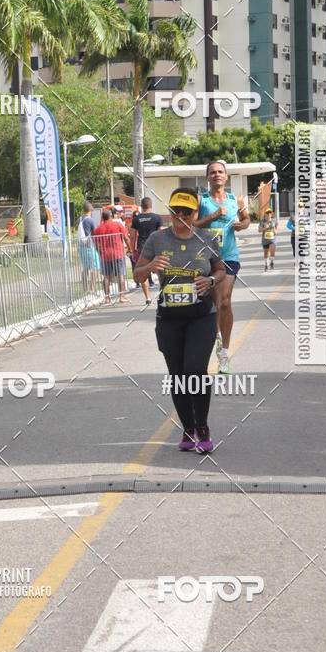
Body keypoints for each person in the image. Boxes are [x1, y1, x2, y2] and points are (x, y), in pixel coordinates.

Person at [135, 187, 225, 454]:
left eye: (188, 212)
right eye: (176, 211)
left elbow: (221, 271)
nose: (181, 216)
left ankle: (203, 427)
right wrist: (150, 268)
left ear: (197, 213)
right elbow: (137, 275)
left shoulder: (208, 238)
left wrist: (209, 281)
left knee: (195, 371)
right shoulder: (156, 239)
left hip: (202, 316)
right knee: (177, 376)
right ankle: (188, 429)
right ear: (170, 212)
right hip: (169, 319)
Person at [193, 160, 250, 373]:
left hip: (228, 256)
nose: (217, 175)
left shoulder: (237, 200)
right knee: (215, 304)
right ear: (207, 177)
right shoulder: (202, 200)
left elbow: (246, 220)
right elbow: (193, 225)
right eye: (213, 172)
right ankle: (216, 337)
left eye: (220, 172)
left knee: (225, 301)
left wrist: (241, 224)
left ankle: (224, 353)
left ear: (226, 177)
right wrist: (214, 216)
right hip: (206, 258)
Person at [93, 208, 130, 304]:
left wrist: (99, 253)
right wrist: (130, 248)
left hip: (105, 255)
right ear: (112, 216)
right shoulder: (118, 225)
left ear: (102, 217)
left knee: (106, 277)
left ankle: (107, 298)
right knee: (120, 275)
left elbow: (96, 244)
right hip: (118, 254)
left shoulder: (98, 229)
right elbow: (126, 237)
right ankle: (122, 296)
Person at [130, 196, 162, 305]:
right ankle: (162, 292)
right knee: (159, 270)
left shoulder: (136, 219)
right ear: (151, 206)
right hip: (155, 247)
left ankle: (148, 298)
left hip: (142, 247)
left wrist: (132, 250)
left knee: (143, 271)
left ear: (141, 206)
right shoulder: (157, 218)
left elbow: (133, 236)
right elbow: (161, 234)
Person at [76, 201, 100, 289]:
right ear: (91, 209)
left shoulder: (79, 219)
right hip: (89, 246)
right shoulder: (91, 220)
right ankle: (91, 287)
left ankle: (84, 287)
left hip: (81, 246)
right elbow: (96, 232)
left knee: (85, 268)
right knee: (96, 267)